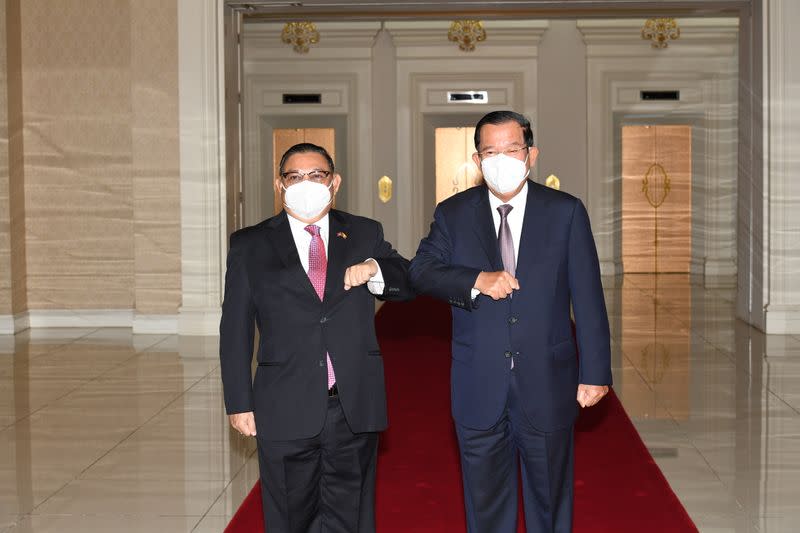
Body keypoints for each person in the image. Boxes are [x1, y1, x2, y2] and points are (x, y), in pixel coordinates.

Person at [409, 110, 612, 532]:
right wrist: (475, 280)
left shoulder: (565, 212)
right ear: (477, 159)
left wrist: (595, 372)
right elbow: (420, 271)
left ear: (531, 154)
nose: (501, 159)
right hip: (478, 382)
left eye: (511, 149)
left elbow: (588, 298)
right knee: (485, 507)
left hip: (547, 380)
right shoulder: (454, 213)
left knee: (550, 503)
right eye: (490, 151)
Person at [219, 142, 412, 533]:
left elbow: (405, 278)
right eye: (295, 177)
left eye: (317, 175)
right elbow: (235, 329)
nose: (306, 184)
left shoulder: (362, 232)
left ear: (334, 181)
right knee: (290, 516)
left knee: (353, 516)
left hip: (352, 403)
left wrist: (374, 268)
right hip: (283, 402)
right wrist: (239, 402)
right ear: (280, 185)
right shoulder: (250, 245)